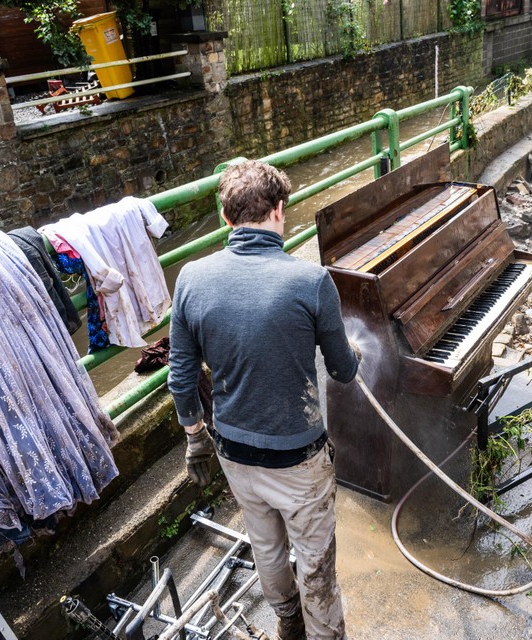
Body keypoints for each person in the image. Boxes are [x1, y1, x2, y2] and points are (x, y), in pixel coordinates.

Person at [168, 160, 360, 640]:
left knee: (267, 547)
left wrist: (195, 438)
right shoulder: (311, 281)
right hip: (298, 460)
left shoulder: (190, 278)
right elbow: (342, 370)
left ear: (227, 219)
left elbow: (181, 378)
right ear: (279, 211)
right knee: (316, 564)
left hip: (234, 451)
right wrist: (352, 353)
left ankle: (287, 622)